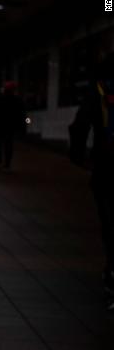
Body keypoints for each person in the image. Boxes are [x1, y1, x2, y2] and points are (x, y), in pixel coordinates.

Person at [70, 52, 114, 311]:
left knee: (109, 224)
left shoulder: (98, 92)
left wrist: (78, 158)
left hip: (107, 169)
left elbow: (79, 126)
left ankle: (111, 275)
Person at [0, 81, 25, 172]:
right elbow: (22, 114)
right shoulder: (17, 101)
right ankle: (7, 165)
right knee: (8, 145)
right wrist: (24, 124)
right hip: (10, 127)